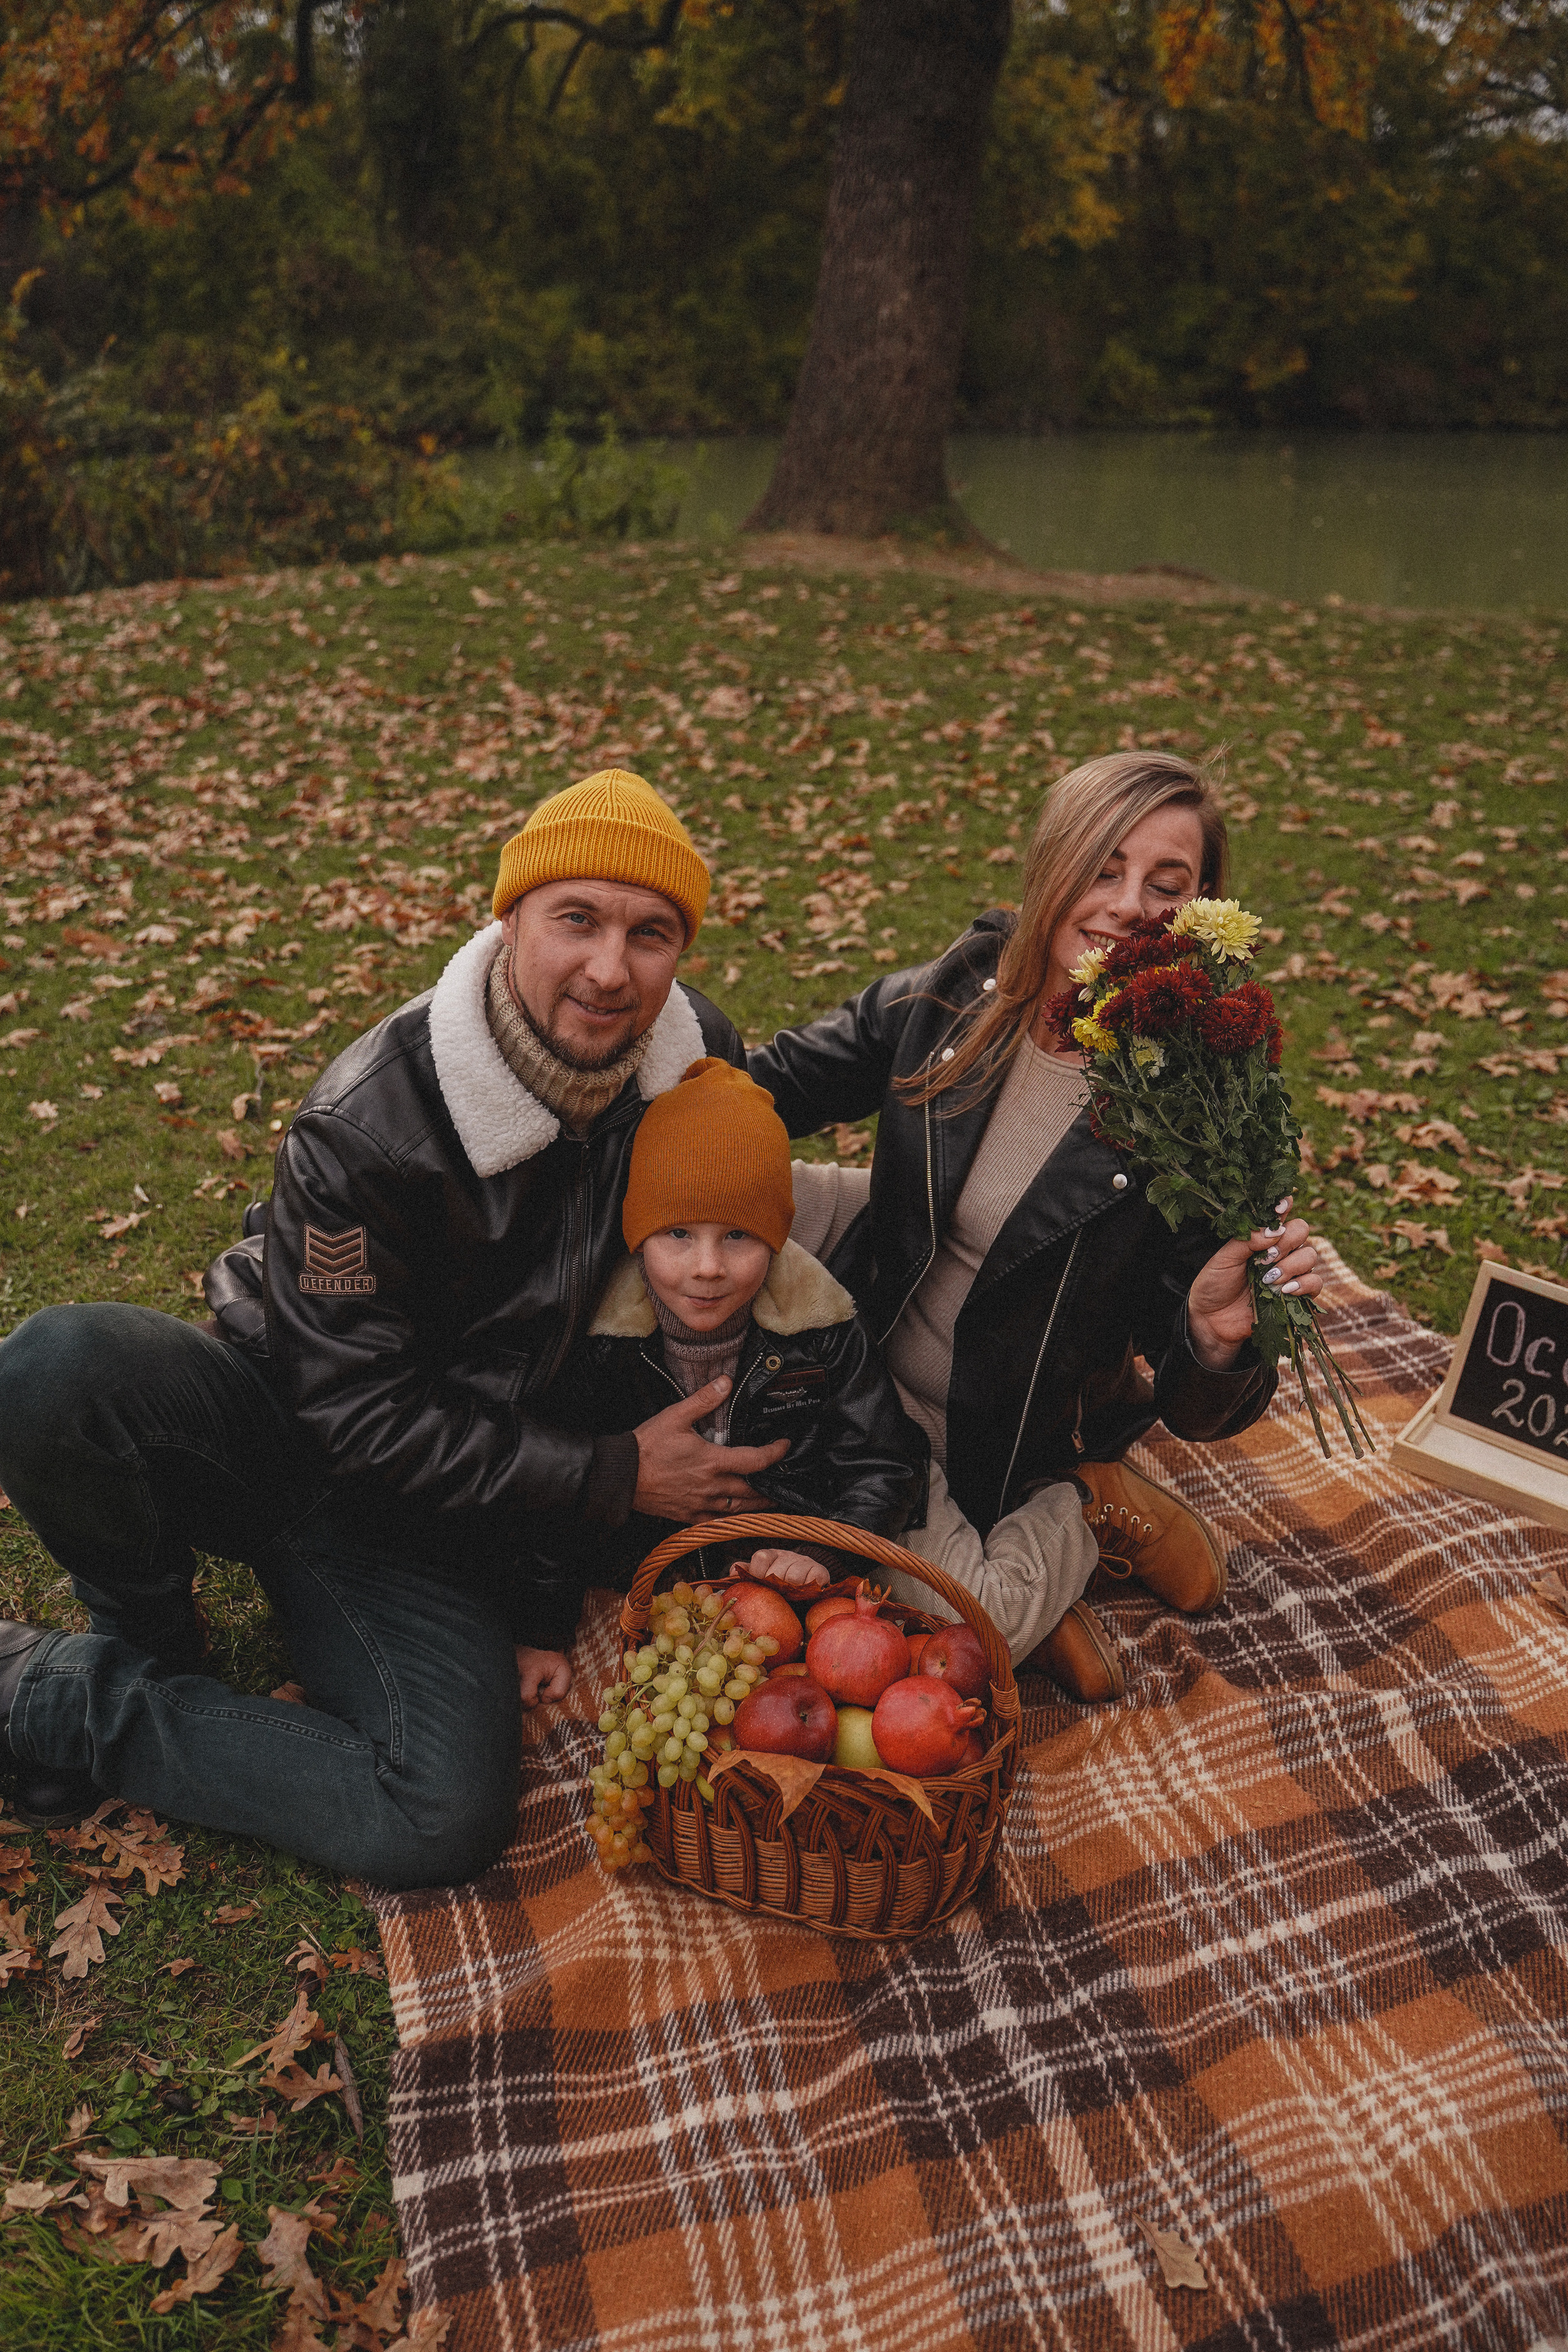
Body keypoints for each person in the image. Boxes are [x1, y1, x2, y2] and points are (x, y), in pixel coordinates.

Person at [0, 769, 801, 1887]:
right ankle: (144, 1630)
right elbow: (350, 1407)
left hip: (442, 1526)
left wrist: (538, 1594)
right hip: (286, 1428)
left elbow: (618, 1342)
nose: (611, 969)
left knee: (436, 1819)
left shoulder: (693, 1061)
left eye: (650, 932)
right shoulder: (368, 1123)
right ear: (509, 916)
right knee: (54, 1365)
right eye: (576, 918)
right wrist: (612, 1476)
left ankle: (52, 1701)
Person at [750, 750, 1323, 1700]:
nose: (1129, 903)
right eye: (1104, 867)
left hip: (1000, 1424)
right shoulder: (964, 988)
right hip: (872, 1331)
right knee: (696, 1261)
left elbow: (1195, 1393)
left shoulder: (1196, 1107)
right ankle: (1015, 1585)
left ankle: (1084, 1507)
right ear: (1054, 866)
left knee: (950, 1632)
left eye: (1166, 884)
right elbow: (778, 1082)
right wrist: (654, 1102)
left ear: (1201, 908)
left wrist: (1220, 1340)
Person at [542, 1054, 927, 1597]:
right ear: (638, 1236)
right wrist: (543, 1625)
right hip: (641, 1581)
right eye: (678, 1233)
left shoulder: (823, 1329)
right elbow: (559, 1489)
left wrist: (826, 1553)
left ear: (775, 1239)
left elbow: (883, 1462)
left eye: (738, 1236)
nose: (708, 1267)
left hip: (778, 1576)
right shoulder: (604, 1343)